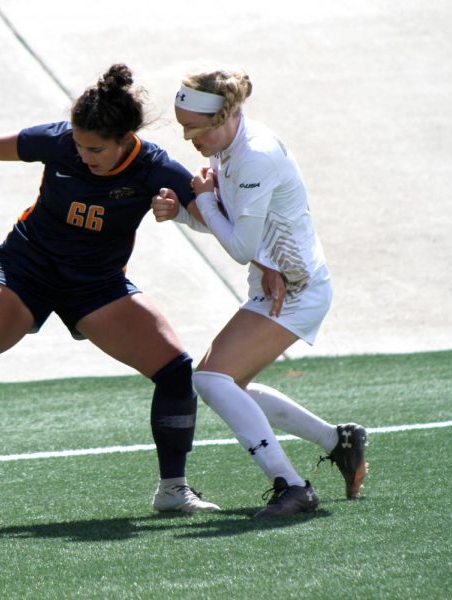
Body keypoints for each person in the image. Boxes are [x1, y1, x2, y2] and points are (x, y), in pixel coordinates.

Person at [0, 64, 220, 513]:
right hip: (26, 268)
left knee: (174, 369)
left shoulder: (155, 167)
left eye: (96, 149)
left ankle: (173, 489)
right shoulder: (59, 142)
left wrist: (185, 208)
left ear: (126, 139)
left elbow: (213, 217)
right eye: (79, 144)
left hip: (96, 285)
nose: (84, 155)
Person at [152, 67, 367, 518]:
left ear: (224, 116)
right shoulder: (228, 148)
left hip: (297, 288)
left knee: (211, 380)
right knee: (232, 385)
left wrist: (204, 200)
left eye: (194, 127)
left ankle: (291, 485)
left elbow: (239, 246)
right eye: (182, 126)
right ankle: (338, 441)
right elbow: (233, 226)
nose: (188, 137)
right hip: (277, 283)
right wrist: (183, 214)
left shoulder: (254, 156)